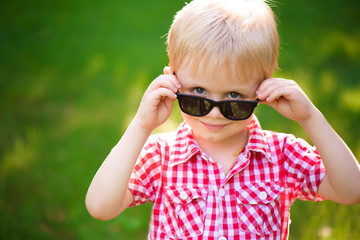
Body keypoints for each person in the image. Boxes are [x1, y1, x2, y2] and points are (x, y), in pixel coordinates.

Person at [85, 0, 360, 239]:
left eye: (233, 96)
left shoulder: (282, 155)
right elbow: (100, 206)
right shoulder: (162, 156)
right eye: (198, 93)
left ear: (262, 90)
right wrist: (142, 126)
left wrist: (310, 117)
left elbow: (351, 190)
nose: (214, 112)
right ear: (173, 81)